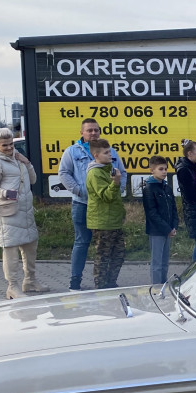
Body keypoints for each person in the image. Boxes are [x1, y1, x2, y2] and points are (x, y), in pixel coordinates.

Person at [58, 118, 126, 290]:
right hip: (82, 204)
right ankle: (75, 282)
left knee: (107, 248)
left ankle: (108, 282)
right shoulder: (72, 151)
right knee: (82, 242)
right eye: (89, 130)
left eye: (96, 130)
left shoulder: (110, 151)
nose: (93, 133)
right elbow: (64, 173)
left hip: (106, 207)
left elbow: (122, 172)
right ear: (82, 132)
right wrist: (79, 190)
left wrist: (119, 188)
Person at [0, 128, 45, 298]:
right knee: (11, 249)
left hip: (25, 209)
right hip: (8, 211)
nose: (9, 148)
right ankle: (12, 286)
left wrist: (27, 163)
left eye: (11, 144)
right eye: (5, 145)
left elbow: (32, 180)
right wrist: (6, 193)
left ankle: (30, 280)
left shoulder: (17, 158)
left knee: (30, 245)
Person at [85, 138, 125, 289]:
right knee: (103, 256)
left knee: (119, 255)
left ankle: (111, 283)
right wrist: (115, 183)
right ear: (96, 155)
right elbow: (106, 196)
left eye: (110, 151)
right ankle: (101, 287)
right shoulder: (95, 173)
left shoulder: (109, 168)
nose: (110, 155)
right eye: (106, 152)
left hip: (114, 220)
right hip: (102, 222)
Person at [141, 155, 179, 286]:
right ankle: (156, 287)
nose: (164, 171)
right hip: (157, 231)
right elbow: (152, 213)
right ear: (152, 171)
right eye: (160, 169)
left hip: (169, 230)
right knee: (156, 262)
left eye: (165, 169)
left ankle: (163, 285)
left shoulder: (167, 188)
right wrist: (166, 229)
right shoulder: (149, 189)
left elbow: (174, 208)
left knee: (164, 261)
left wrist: (174, 226)